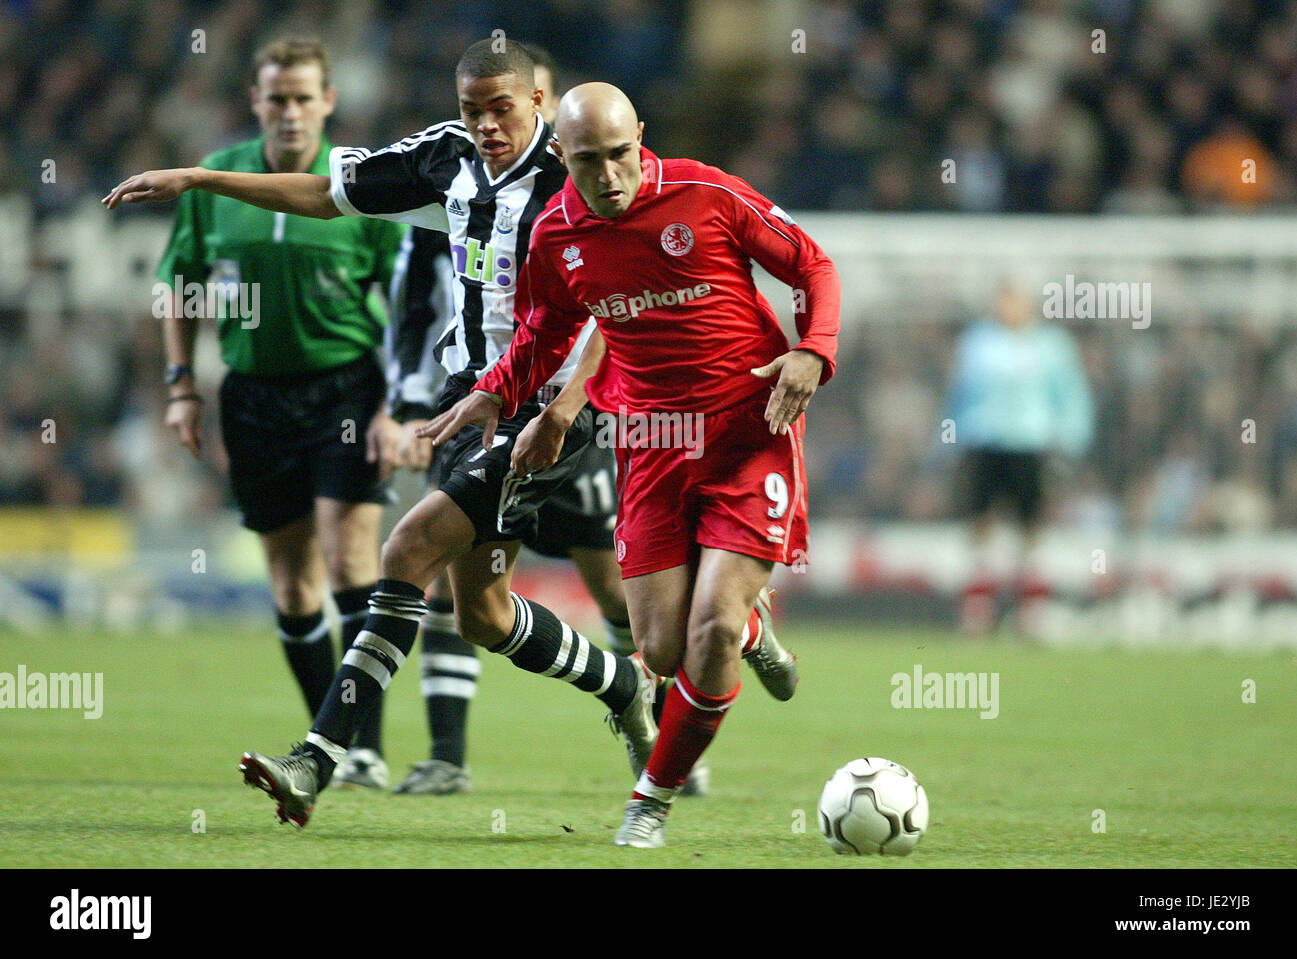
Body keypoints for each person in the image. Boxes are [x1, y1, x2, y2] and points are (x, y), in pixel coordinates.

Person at [422, 82, 840, 847]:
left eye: (621, 154)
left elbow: (812, 266)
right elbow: (545, 330)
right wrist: (495, 393)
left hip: (751, 431)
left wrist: (813, 351)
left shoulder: (705, 192)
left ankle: (652, 796)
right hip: (649, 445)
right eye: (588, 161)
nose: (610, 175)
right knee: (659, 648)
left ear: (640, 135)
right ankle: (754, 632)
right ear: (561, 156)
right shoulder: (555, 235)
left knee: (706, 629)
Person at [384, 46, 772, 799]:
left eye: (514, 107)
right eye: (481, 112)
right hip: (488, 409)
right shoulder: (461, 193)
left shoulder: (595, 191)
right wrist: (417, 400)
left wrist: (565, 405)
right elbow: (432, 305)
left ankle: (666, 724)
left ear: (542, 106)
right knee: (456, 583)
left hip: (587, 418)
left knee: (620, 592)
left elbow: (605, 311)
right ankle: (449, 753)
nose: (499, 125)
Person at [152, 38, 405, 788]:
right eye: (277, 97)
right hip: (253, 394)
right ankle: (325, 730)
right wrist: (179, 386)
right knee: (292, 582)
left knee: (350, 555)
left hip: (347, 390)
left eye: (304, 97)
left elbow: (406, 303)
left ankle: (358, 745)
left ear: (329, 101)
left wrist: (395, 403)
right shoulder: (217, 181)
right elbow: (178, 284)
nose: (290, 110)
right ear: (256, 101)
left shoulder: (361, 186)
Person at [944, 280, 1094, 634]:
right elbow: (959, 395)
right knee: (980, 523)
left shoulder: (1052, 346)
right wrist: (950, 439)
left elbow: (1071, 397)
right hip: (984, 441)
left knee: (1032, 526)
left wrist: (1071, 442)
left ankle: (1031, 612)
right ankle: (978, 610)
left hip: (1032, 443)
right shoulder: (977, 342)